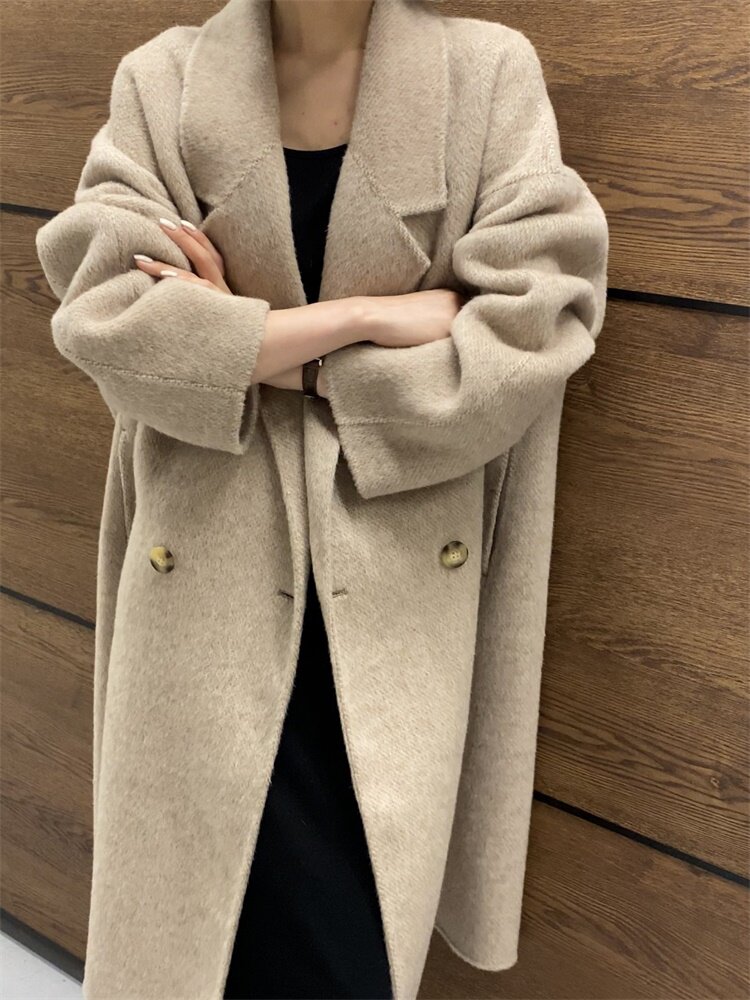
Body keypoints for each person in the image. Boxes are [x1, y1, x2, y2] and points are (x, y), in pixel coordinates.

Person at [35, 0, 609, 996]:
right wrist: (367, 320)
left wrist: (245, 341)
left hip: (395, 598)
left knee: (349, 948)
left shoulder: (485, 77)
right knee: (201, 941)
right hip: (202, 598)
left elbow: (531, 333)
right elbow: (110, 318)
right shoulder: (162, 82)